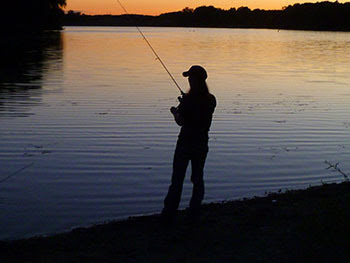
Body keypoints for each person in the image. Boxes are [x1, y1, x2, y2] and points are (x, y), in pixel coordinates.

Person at [161, 65, 216, 224]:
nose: (189, 80)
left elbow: (181, 121)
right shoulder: (211, 99)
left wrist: (175, 111)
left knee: (177, 179)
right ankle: (194, 212)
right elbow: (200, 111)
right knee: (197, 179)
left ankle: (169, 213)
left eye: (190, 77)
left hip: (185, 144)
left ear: (196, 80)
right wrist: (185, 103)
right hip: (201, 144)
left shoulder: (189, 101)